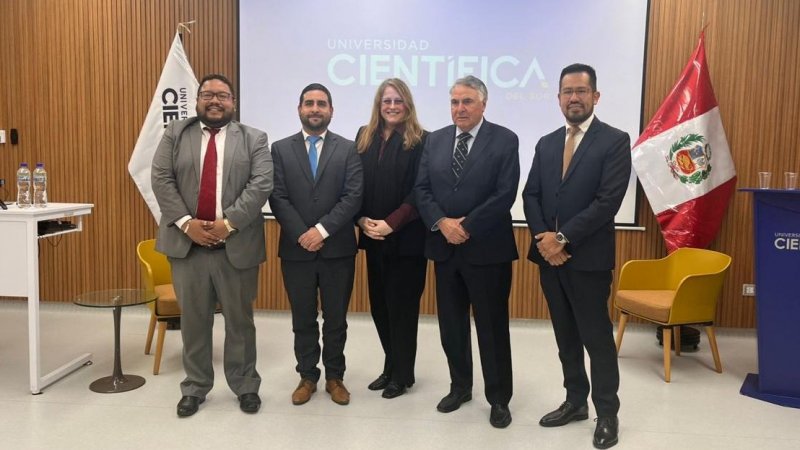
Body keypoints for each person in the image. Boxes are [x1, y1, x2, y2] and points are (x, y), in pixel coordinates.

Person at [522, 63, 631, 449]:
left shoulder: (614, 141)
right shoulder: (547, 143)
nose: (574, 98)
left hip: (587, 260)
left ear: (595, 96)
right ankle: (575, 401)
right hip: (550, 259)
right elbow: (531, 194)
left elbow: (607, 202)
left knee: (596, 339)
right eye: (567, 92)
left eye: (581, 91)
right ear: (558, 98)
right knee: (565, 336)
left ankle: (607, 413)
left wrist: (563, 239)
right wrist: (544, 239)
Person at [151, 73, 272, 417]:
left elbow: (262, 183)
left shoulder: (254, 138)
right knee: (194, 322)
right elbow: (160, 178)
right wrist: (186, 224)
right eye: (208, 95)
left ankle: (245, 385)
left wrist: (228, 223)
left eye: (223, 95)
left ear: (234, 102)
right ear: (197, 100)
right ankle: (195, 386)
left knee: (240, 323)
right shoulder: (176, 133)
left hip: (236, 246)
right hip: (187, 246)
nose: (215, 100)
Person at [414, 75, 519, 428]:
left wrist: (467, 226)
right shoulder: (435, 140)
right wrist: (442, 223)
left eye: (468, 101)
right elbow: (422, 189)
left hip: (487, 250)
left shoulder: (505, 139)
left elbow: (505, 194)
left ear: (483, 104)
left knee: (491, 327)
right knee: (451, 325)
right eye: (455, 102)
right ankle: (460, 387)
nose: (460, 108)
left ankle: (499, 399)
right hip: (445, 249)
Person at [269, 83, 363, 406]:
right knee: (303, 319)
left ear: (331, 111)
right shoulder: (280, 149)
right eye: (309, 103)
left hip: (337, 250)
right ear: (299, 109)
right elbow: (277, 196)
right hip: (296, 250)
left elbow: (353, 196)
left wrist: (321, 231)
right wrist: (303, 234)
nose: (315, 109)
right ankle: (307, 376)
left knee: (336, 319)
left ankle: (335, 377)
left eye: (321, 103)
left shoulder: (348, 149)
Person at [355, 78, 428, 399]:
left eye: (398, 100)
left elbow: (420, 190)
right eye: (387, 101)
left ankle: (403, 375)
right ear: (379, 105)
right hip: (373, 238)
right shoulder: (364, 136)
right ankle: (390, 365)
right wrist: (360, 219)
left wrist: (391, 224)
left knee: (402, 310)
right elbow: (355, 183)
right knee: (380, 308)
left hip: (407, 241)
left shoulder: (422, 140)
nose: (392, 106)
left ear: (407, 104)